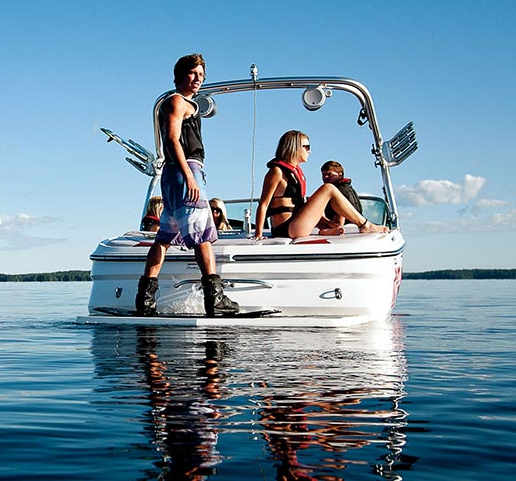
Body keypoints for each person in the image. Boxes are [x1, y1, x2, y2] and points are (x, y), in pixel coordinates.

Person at [135, 54, 238, 317]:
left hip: (177, 175)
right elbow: (172, 139)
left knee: (164, 237)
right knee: (203, 236)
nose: (198, 79)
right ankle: (215, 301)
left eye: (201, 75)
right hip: (184, 171)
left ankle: (145, 301)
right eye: (193, 73)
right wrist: (190, 176)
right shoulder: (177, 101)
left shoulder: (186, 104)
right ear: (180, 74)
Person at [253, 130, 388, 240]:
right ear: (294, 147)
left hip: (295, 223)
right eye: (307, 147)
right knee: (328, 188)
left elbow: (300, 205)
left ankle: (326, 229)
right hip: (286, 228)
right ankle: (365, 225)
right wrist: (258, 234)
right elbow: (264, 204)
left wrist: (323, 220)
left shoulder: (295, 171)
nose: (309, 151)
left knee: (317, 200)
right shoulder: (276, 172)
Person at [321, 160, 363, 226]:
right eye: (323, 175)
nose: (325, 177)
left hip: (346, 231)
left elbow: (338, 223)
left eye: (330, 174)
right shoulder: (348, 189)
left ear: (340, 175)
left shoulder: (339, 191)